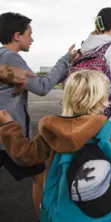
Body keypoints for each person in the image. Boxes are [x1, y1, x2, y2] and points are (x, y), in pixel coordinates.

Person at [0, 70, 111, 218]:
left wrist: (9, 126)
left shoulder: (53, 130)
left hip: (61, 209)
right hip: (104, 210)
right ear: (102, 100)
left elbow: (25, 155)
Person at [0, 12, 74, 218]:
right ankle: (45, 216)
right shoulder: (11, 57)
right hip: (9, 134)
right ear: (17, 36)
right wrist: (64, 60)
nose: (32, 39)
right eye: (29, 34)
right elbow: (41, 86)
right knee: (41, 177)